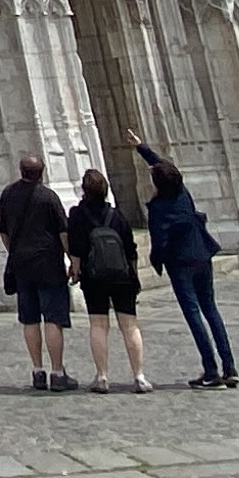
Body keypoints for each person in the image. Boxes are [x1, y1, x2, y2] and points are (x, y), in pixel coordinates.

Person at [128, 131, 234, 390]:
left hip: (180, 263)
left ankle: (211, 372)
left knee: (193, 314)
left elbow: (159, 242)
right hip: (202, 254)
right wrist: (142, 147)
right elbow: (164, 168)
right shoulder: (181, 193)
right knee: (211, 309)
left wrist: (156, 260)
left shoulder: (159, 208)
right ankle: (229, 367)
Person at [66, 167, 151, 393]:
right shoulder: (117, 216)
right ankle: (139, 376)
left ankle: (102, 376)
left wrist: (75, 271)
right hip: (122, 276)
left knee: (98, 324)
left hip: (94, 277)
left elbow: (76, 249)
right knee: (129, 325)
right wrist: (133, 275)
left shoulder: (77, 215)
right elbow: (131, 249)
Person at [0, 152, 75, 391]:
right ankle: (57, 372)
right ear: (42, 173)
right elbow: (63, 232)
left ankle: (37, 371)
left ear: (21, 171)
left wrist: (15, 251)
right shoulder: (48, 197)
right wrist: (72, 259)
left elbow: (3, 231)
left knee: (29, 319)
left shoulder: (8, 194)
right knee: (53, 319)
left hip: (22, 265)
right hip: (49, 264)